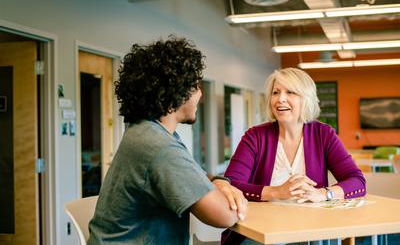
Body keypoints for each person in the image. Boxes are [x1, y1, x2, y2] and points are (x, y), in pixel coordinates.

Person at [87, 36, 248, 245]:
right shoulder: (158, 147)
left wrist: (218, 181)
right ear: (177, 91)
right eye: (195, 85)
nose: (200, 93)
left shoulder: (147, 132)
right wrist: (230, 194)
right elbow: (225, 216)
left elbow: (195, 175)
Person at [221, 67, 366, 245]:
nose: (280, 98)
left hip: (310, 231)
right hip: (261, 233)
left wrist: (323, 194)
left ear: (305, 99)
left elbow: (357, 181)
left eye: (290, 92)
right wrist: (276, 192)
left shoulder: (323, 134)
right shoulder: (255, 136)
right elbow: (229, 184)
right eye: (276, 92)